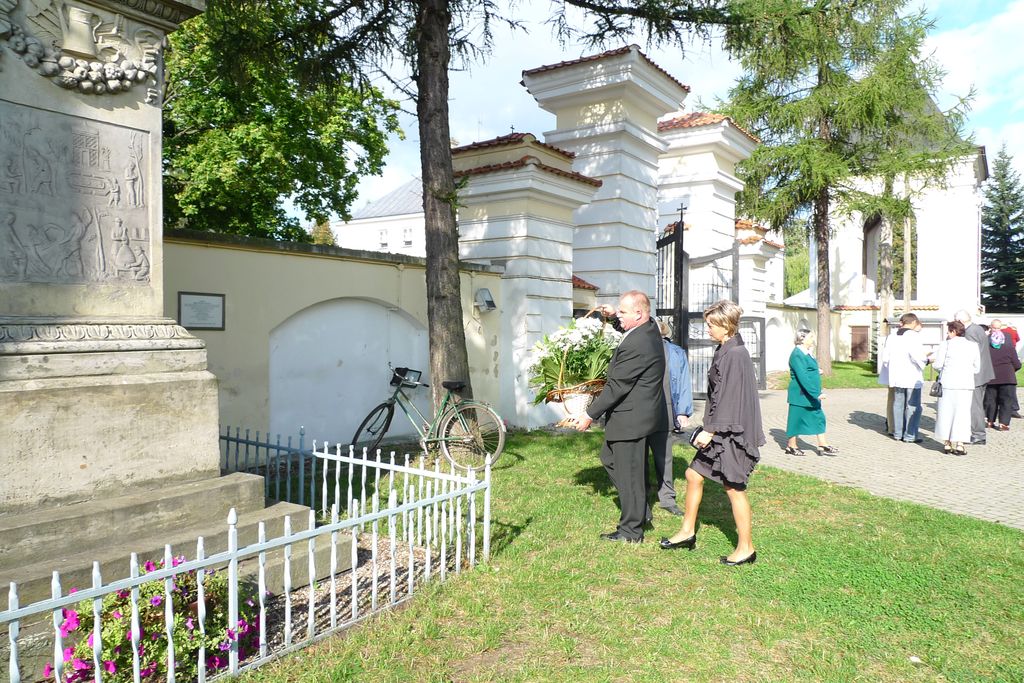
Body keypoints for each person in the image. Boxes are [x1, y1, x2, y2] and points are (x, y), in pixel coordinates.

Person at [660, 300, 765, 566]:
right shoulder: (726, 349)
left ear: (725, 325)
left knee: (734, 488)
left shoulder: (735, 354)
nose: (707, 329)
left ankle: (746, 548)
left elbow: (730, 398)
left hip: (732, 433)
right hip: (721, 429)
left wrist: (709, 430)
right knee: (693, 474)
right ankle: (687, 532)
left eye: (710, 325)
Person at [570, 291, 668, 543]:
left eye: (623, 312)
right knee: (611, 458)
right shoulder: (648, 328)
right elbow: (629, 325)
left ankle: (631, 530)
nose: (620, 316)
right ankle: (639, 508)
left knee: (629, 473)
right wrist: (615, 317)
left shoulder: (638, 344)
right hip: (638, 415)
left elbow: (617, 386)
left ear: (639, 313)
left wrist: (589, 414)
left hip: (632, 418)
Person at [645, 319, 693, 516]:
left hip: (664, 410)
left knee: (663, 456)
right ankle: (642, 495)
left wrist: (682, 411)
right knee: (638, 456)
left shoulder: (675, 352)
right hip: (640, 411)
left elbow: (683, 382)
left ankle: (667, 498)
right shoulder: (639, 349)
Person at [784, 330, 838, 456]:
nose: (813, 339)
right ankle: (791, 446)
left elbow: (807, 369)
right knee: (795, 420)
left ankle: (822, 444)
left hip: (809, 393)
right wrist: (816, 394)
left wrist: (816, 371)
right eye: (810, 337)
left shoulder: (807, 353)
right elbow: (802, 376)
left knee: (818, 417)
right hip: (800, 394)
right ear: (802, 339)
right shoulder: (797, 354)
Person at [930, 321, 980, 455]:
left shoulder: (945, 345)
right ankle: (960, 443)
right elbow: (977, 368)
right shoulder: (973, 346)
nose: (947, 334)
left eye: (948, 331)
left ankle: (947, 442)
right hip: (965, 384)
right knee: (962, 414)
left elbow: (938, 365)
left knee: (945, 413)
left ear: (953, 331)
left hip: (948, 383)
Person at [882, 313, 928, 443]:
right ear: (913, 322)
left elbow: (886, 358)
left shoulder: (892, 336)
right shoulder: (913, 336)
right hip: (911, 376)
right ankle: (910, 435)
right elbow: (918, 356)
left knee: (898, 405)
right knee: (912, 406)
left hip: (896, 376)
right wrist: (927, 360)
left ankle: (897, 433)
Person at [955, 310, 996, 445]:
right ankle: (976, 432)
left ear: (960, 321)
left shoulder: (970, 332)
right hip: (983, 372)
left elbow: (970, 355)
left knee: (974, 406)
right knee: (976, 404)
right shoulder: (977, 328)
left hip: (976, 375)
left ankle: (978, 434)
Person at [984, 328, 1021, 431]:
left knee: (991, 400)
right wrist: (1012, 370)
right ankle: (1003, 423)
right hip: (1007, 378)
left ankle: (990, 421)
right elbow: (1017, 364)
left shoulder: (986, 349)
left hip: (991, 378)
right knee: (1006, 401)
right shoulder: (1009, 348)